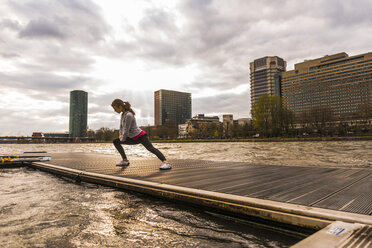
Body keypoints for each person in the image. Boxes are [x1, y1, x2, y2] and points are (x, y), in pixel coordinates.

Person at [111, 99, 171, 170]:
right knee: (116, 141)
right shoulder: (123, 114)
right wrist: (120, 135)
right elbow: (121, 127)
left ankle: (166, 163)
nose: (115, 111)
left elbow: (126, 130)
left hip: (140, 136)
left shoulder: (129, 115)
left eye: (115, 108)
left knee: (151, 149)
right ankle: (125, 161)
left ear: (120, 106)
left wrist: (123, 139)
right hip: (131, 137)